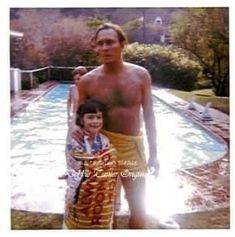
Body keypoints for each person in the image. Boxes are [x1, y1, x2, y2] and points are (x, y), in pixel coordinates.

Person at [73, 23, 159, 229]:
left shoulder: (140, 75)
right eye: (100, 44)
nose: (104, 48)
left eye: (110, 42)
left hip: (132, 150)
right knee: (105, 209)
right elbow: (79, 118)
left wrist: (154, 153)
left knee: (138, 207)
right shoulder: (87, 81)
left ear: (122, 44)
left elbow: (149, 116)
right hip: (102, 152)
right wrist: (77, 135)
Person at [63, 99, 117, 229]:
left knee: (99, 220)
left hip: (100, 190)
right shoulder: (75, 141)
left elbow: (108, 165)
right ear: (81, 120)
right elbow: (75, 166)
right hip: (78, 189)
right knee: (78, 220)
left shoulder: (104, 140)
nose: (95, 121)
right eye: (90, 117)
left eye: (99, 117)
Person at [59, 66, 88, 179]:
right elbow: (69, 102)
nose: (76, 81)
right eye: (75, 79)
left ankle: (84, 172)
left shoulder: (89, 89)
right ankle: (69, 171)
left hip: (85, 120)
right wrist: (68, 116)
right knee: (69, 145)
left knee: (85, 146)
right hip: (74, 120)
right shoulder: (72, 88)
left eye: (79, 78)